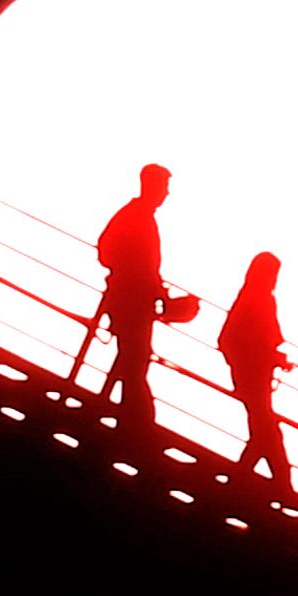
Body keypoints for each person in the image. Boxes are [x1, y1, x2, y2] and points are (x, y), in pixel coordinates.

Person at [97, 164, 172, 434]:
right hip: (132, 302)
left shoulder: (136, 215)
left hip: (132, 301)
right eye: (164, 187)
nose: (167, 193)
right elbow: (108, 251)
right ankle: (137, 424)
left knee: (132, 361)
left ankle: (131, 421)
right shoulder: (137, 217)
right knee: (135, 362)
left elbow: (109, 252)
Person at [218, 252, 296, 494]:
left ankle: (252, 479)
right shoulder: (258, 300)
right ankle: (280, 485)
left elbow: (236, 340)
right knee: (267, 430)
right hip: (253, 377)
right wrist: (265, 359)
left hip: (251, 376)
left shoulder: (251, 297)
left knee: (263, 430)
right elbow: (240, 340)